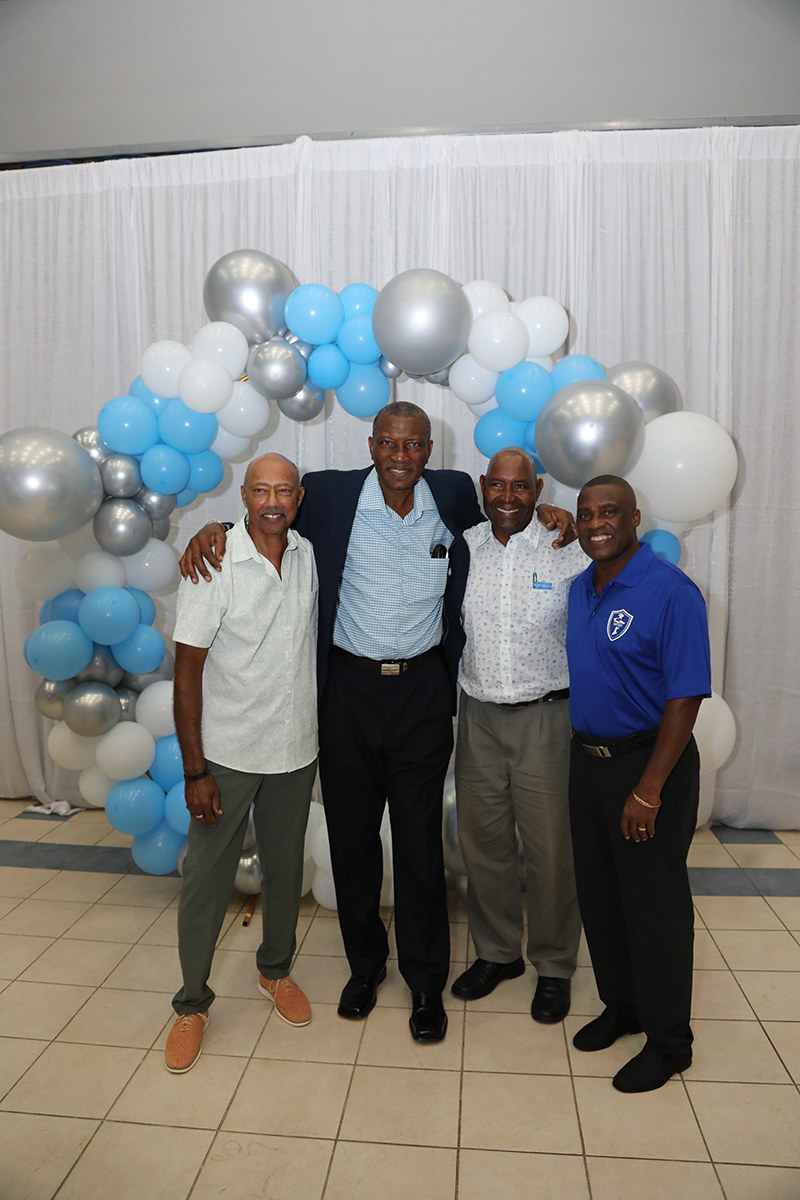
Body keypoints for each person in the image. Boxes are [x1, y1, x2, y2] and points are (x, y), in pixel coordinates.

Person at [180, 401, 572, 1044]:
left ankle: (425, 981)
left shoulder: (453, 494)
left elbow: (511, 516)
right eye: (389, 443)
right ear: (371, 445)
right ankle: (365, 968)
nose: (400, 456)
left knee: (419, 846)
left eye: (413, 444)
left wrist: (556, 514)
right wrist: (214, 528)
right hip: (348, 693)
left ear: (429, 450)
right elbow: (268, 513)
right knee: (353, 840)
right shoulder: (331, 495)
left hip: (421, 693)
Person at [165, 453, 318, 1074]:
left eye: (283, 491)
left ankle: (274, 970)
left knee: (286, 870)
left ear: (299, 498)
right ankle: (191, 1003)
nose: (272, 502)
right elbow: (186, 672)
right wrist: (195, 770)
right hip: (226, 753)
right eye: (260, 490)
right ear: (245, 497)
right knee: (207, 878)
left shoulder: (308, 556)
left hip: (294, 748)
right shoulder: (214, 561)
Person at [566, 475, 711, 1093]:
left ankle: (670, 1042)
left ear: (634, 518)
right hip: (588, 762)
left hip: (650, 766)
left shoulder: (671, 591)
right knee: (601, 896)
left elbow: (685, 696)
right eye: (586, 514)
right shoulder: (580, 586)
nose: (596, 523)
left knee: (655, 907)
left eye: (609, 512)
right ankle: (623, 1006)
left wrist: (649, 789)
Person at [452, 448, 587, 1024]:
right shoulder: (464, 547)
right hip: (478, 715)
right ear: (483, 486)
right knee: (483, 843)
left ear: (539, 490)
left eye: (521, 487)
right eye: (498, 485)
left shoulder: (568, 548)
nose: (508, 497)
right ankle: (498, 953)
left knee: (552, 850)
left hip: (546, 719)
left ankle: (554, 965)